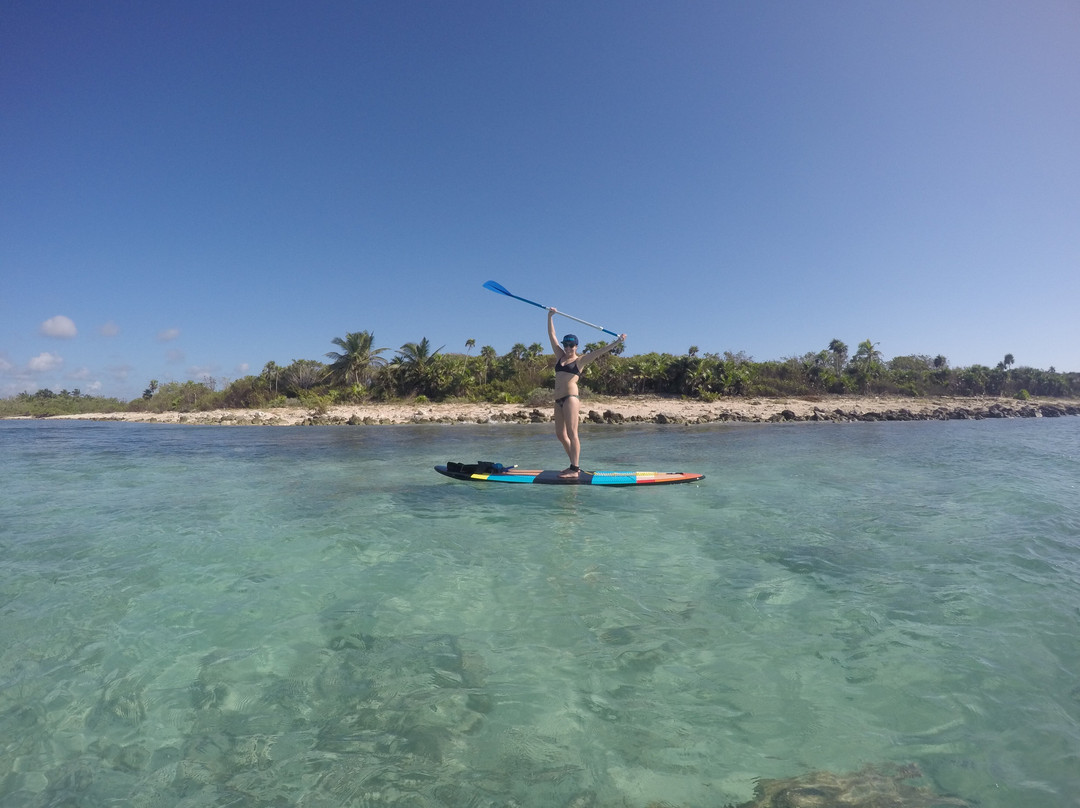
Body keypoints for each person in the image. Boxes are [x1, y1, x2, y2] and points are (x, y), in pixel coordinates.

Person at [547, 308, 626, 478]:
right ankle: (573, 465)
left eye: (571, 345)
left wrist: (617, 342)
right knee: (560, 434)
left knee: (572, 433)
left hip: (570, 399)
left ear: (576, 346)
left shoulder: (580, 360)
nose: (568, 348)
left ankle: (574, 469)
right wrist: (550, 317)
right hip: (558, 399)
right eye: (566, 344)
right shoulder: (560, 356)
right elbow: (552, 337)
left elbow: (600, 352)